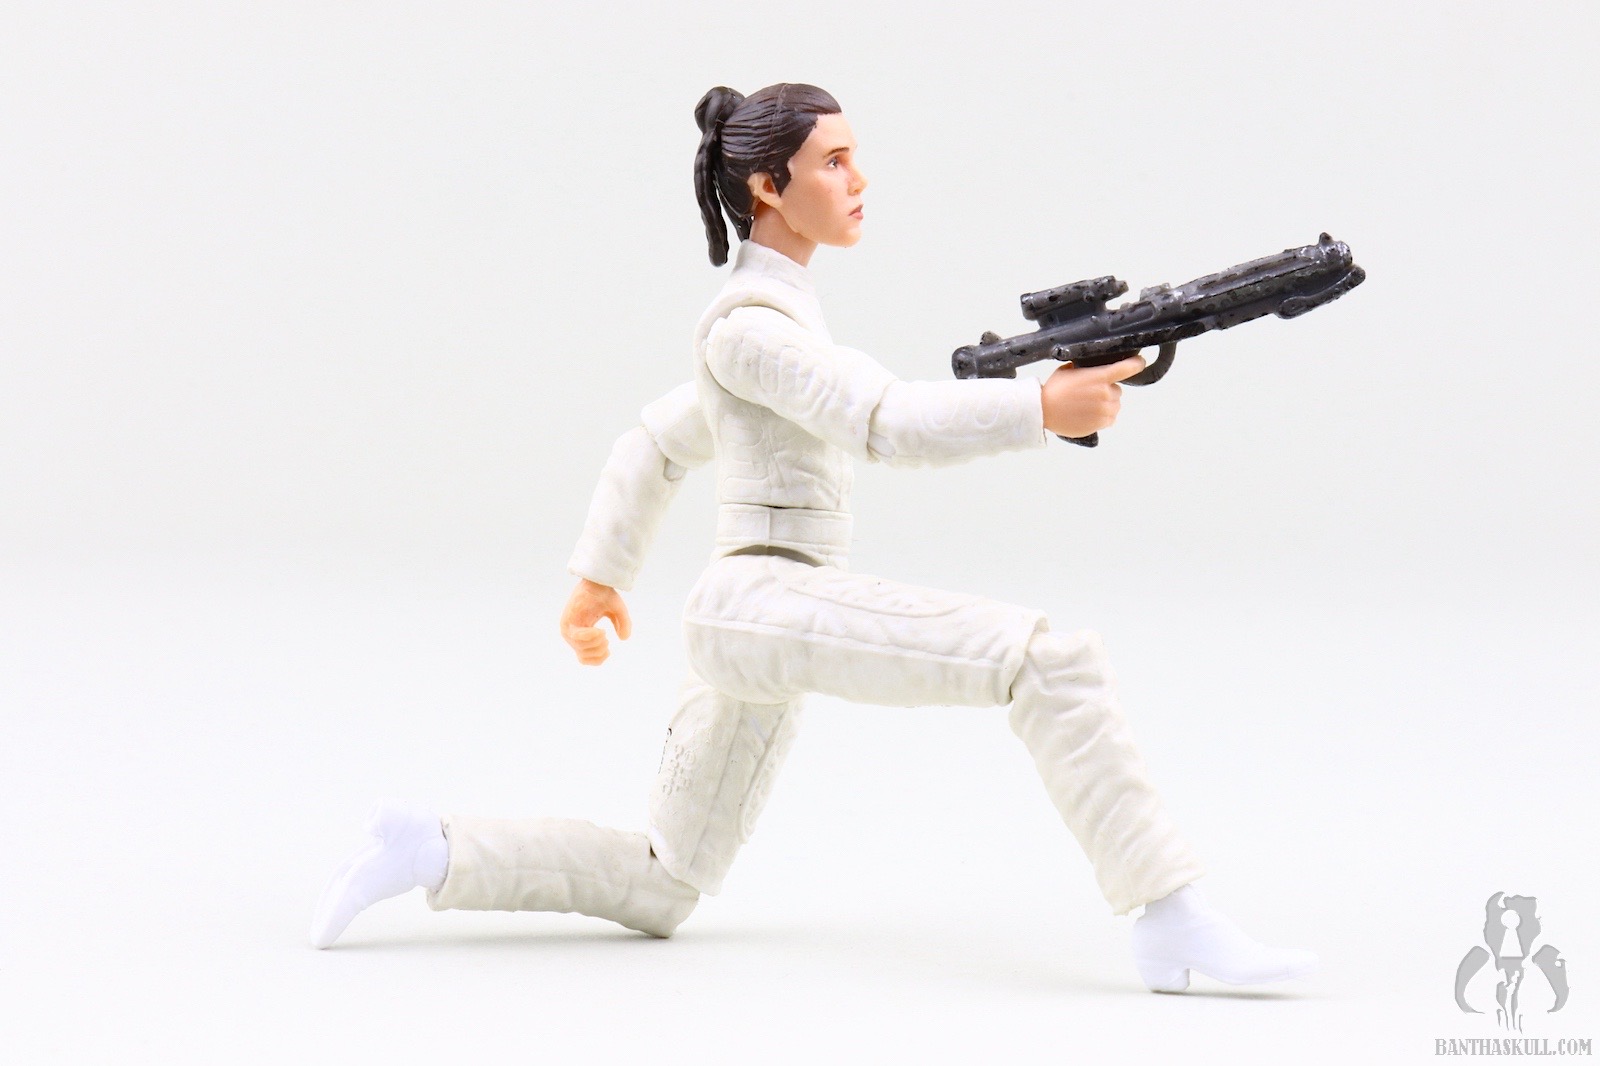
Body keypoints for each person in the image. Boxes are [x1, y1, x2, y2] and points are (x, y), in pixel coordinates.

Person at [311, 83, 1317, 993]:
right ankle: (1170, 916)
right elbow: (882, 420)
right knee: (1047, 661)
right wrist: (1036, 410)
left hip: (755, 617)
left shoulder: (774, 326)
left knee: (664, 881)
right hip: (763, 603)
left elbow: (659, 441)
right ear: (767, 186)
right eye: (834, 161)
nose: (858, 178)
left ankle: (429, 847)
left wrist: (600, 576)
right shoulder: (748, 331)